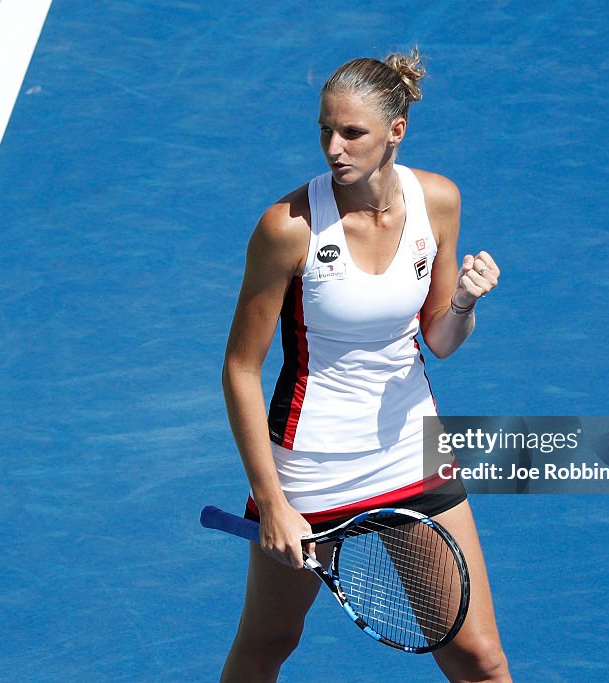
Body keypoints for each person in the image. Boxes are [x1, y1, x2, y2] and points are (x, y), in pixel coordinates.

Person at [220, 49, 511, 682]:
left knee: (480, 659)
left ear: (395, 132)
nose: (333, 147)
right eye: (325, 129)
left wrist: (463, 300)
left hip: (411, 449)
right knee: (268, 643)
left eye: (352, 132)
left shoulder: (438, 202)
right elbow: (241, 368)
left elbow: (439, 339)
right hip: (311, 468)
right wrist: (272, 502)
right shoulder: (288, 228)